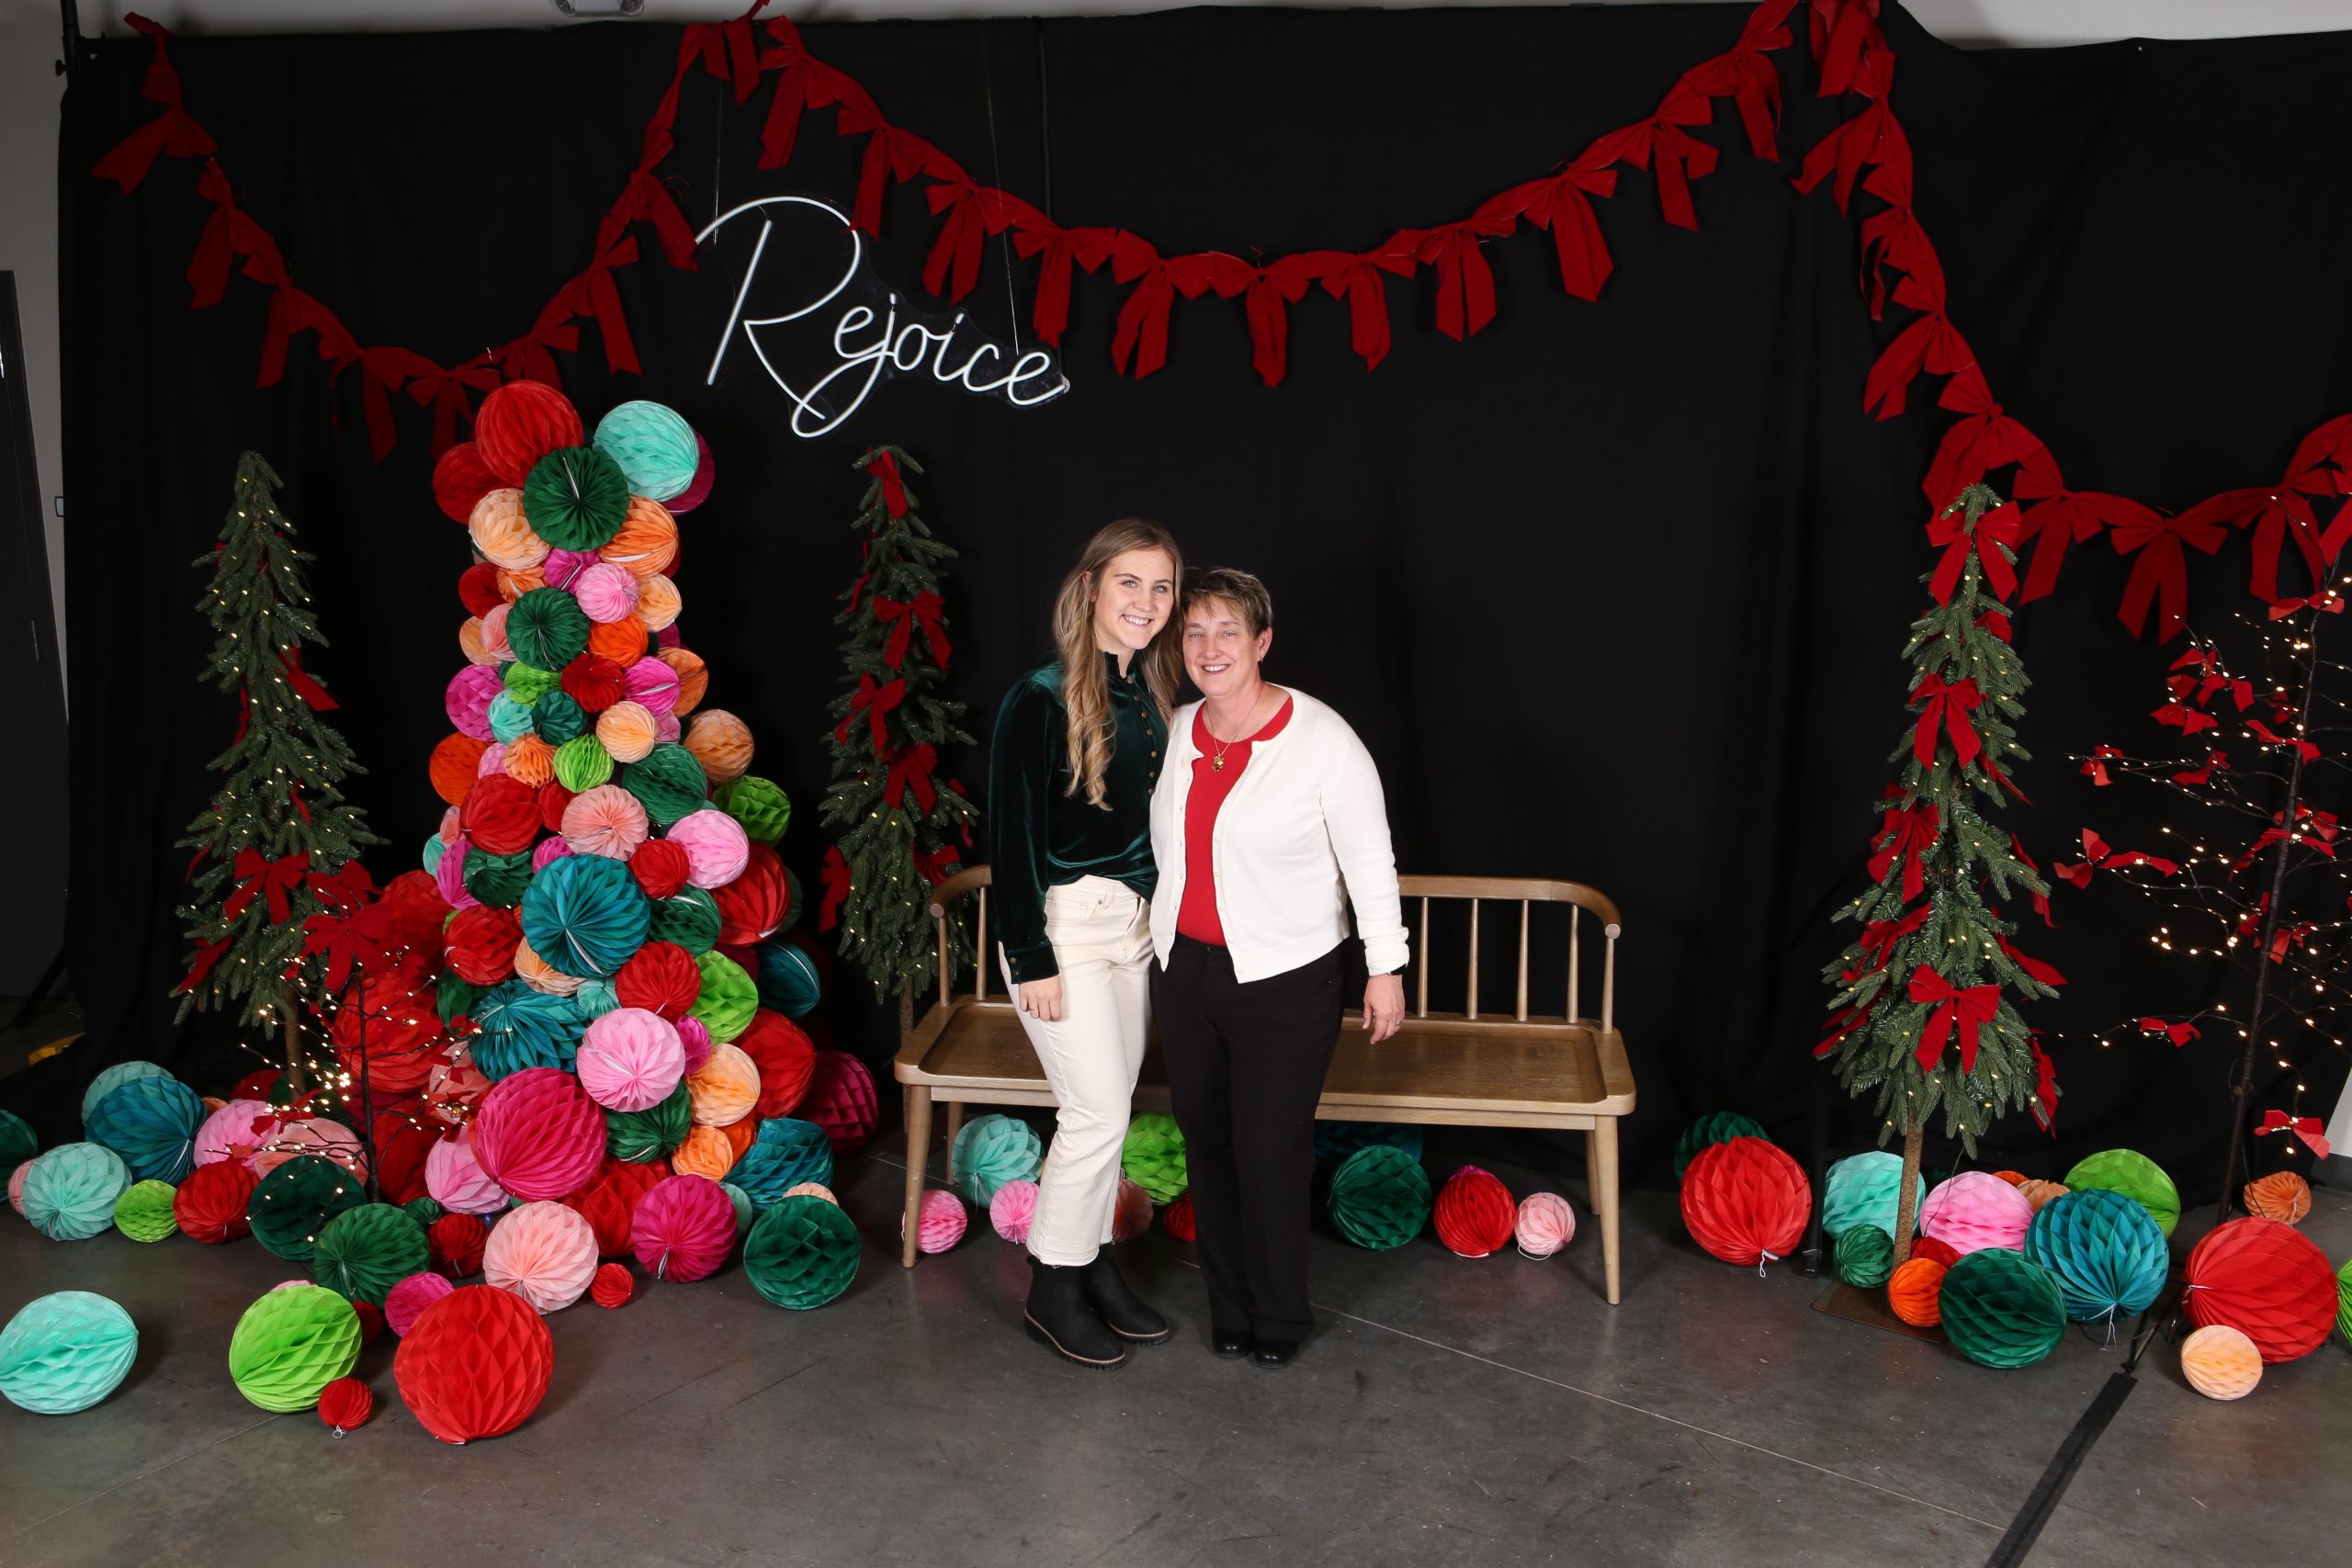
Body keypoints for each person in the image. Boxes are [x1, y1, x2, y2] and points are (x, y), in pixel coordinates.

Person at [1148, 568, 1408, 1369]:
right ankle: (1228, 1305)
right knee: (1207, 1141)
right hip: (1185, 974)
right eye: (1195, 632)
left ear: (1262, 641)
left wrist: (1386, 965)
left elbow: (1369, 859)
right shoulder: (1177, 729)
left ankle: (1280, 1313)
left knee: (1269, 1152)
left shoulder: (1323, 740)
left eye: (1228, 631)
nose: (1209, 647)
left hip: (1287, 980)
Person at [988, 520, 1186, 1369]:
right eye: (1129, 581)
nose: (1147, 600)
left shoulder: (1149, 695)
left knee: (1113, 1109)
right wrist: (1028, 954)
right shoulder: (1040, 696)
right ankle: (1052, 1287)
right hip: (1063, 930)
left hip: (1130, 931)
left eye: (1162, 586)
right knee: (1095, 1111)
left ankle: (1096, 1263)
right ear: (1092, 587)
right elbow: (1013, 834)